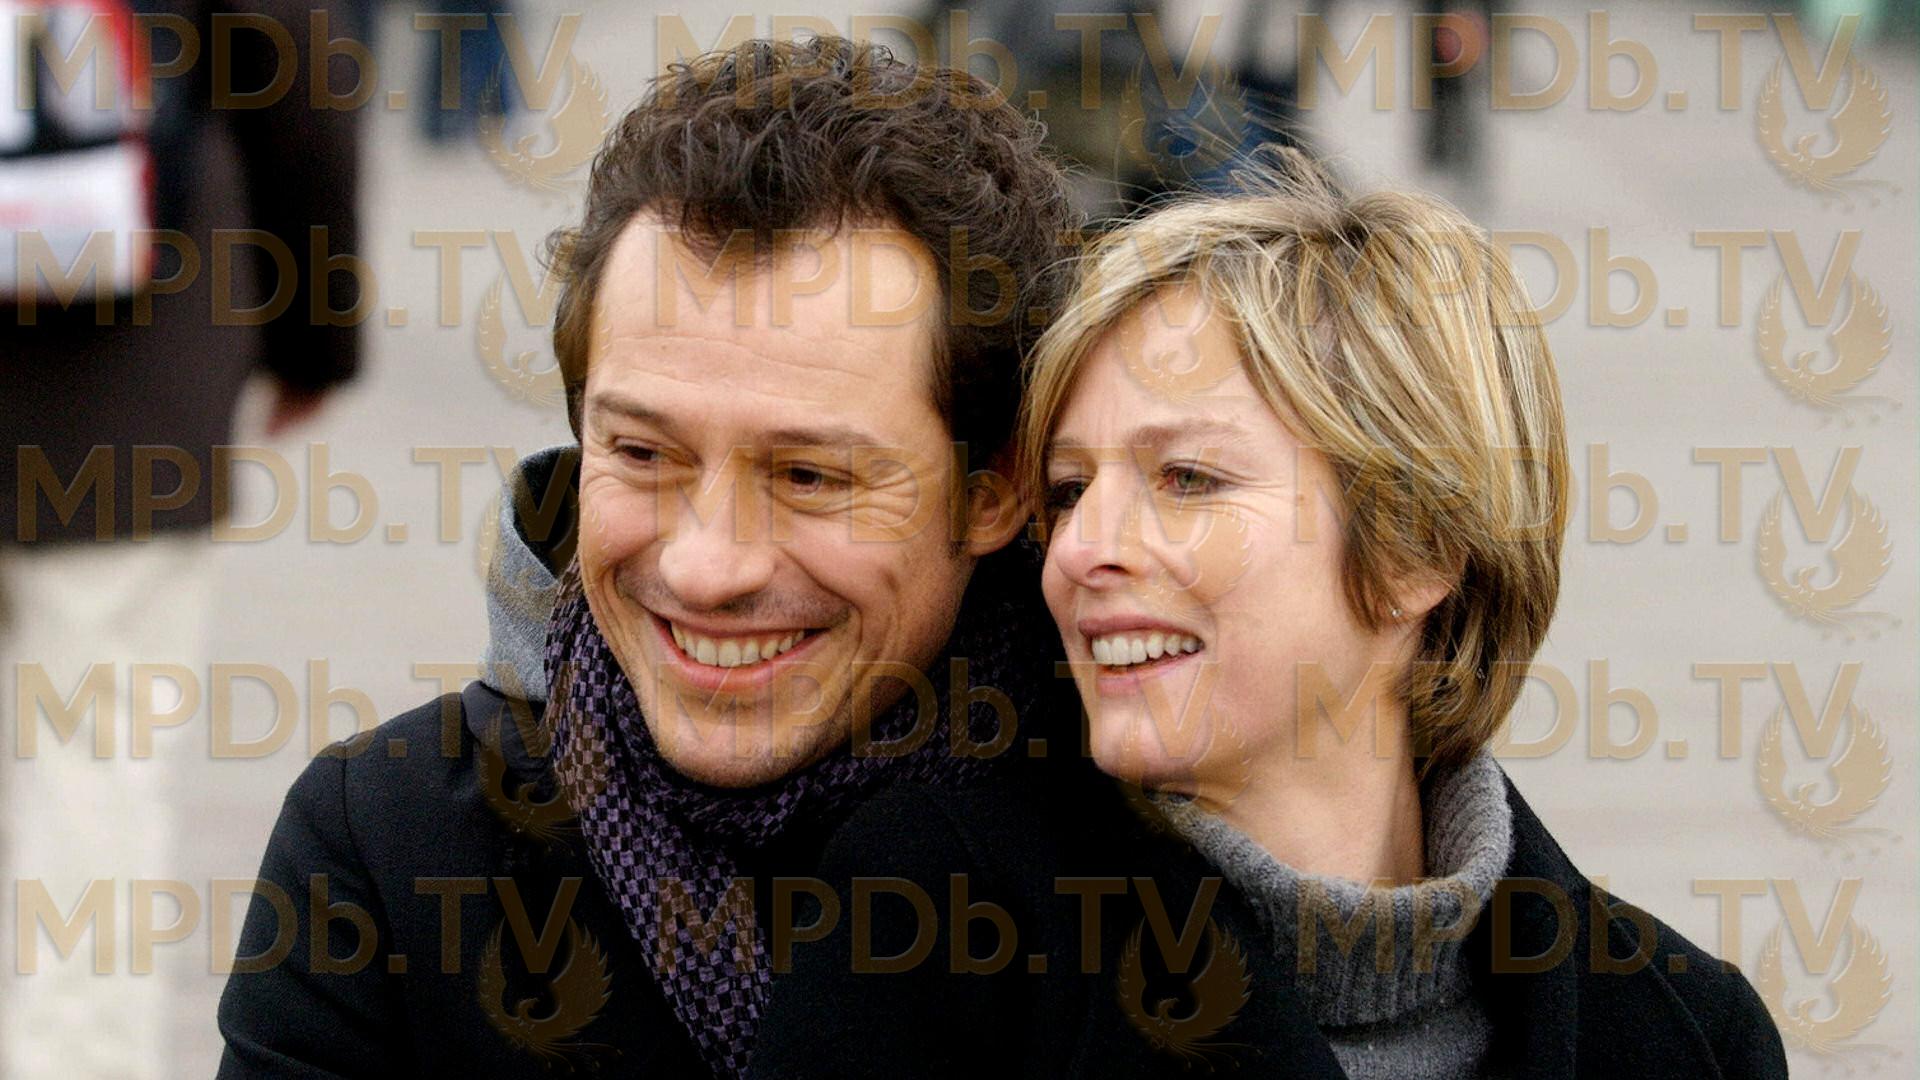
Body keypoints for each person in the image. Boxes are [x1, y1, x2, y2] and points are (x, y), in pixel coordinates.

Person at [749, 153, 1789, 1078]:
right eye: (1068, 490)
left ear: (1416, 547)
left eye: (1186, 478)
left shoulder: (1691, 1036)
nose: (1078, 549)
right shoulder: (936, 934)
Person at [215, 37, 1080, 1078]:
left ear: (994, 491)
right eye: (641, 454)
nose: (707, 567)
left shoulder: (1146, 861)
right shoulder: (387, 850)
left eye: (810, 476)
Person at [1, 2, 361, 1075]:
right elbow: (286, 62)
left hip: (121, 390)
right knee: (93, 775)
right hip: (123, 384)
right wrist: (315, 335)